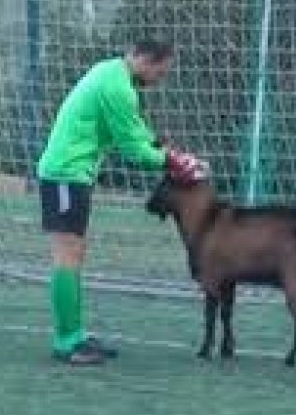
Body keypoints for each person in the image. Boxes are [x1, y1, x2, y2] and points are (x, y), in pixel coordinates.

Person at [36, 40, 206, 366]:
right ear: (144, 59)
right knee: (66, 254)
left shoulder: (112, 74)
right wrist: (175, 164)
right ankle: (67, 341)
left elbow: (135, 131)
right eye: (160, 71)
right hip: (64, 174)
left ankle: (75, 334)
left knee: (74, 253)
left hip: (73, 174)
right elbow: (134, 152)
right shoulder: (118, 88)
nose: (160, 79)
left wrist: (166, 151)